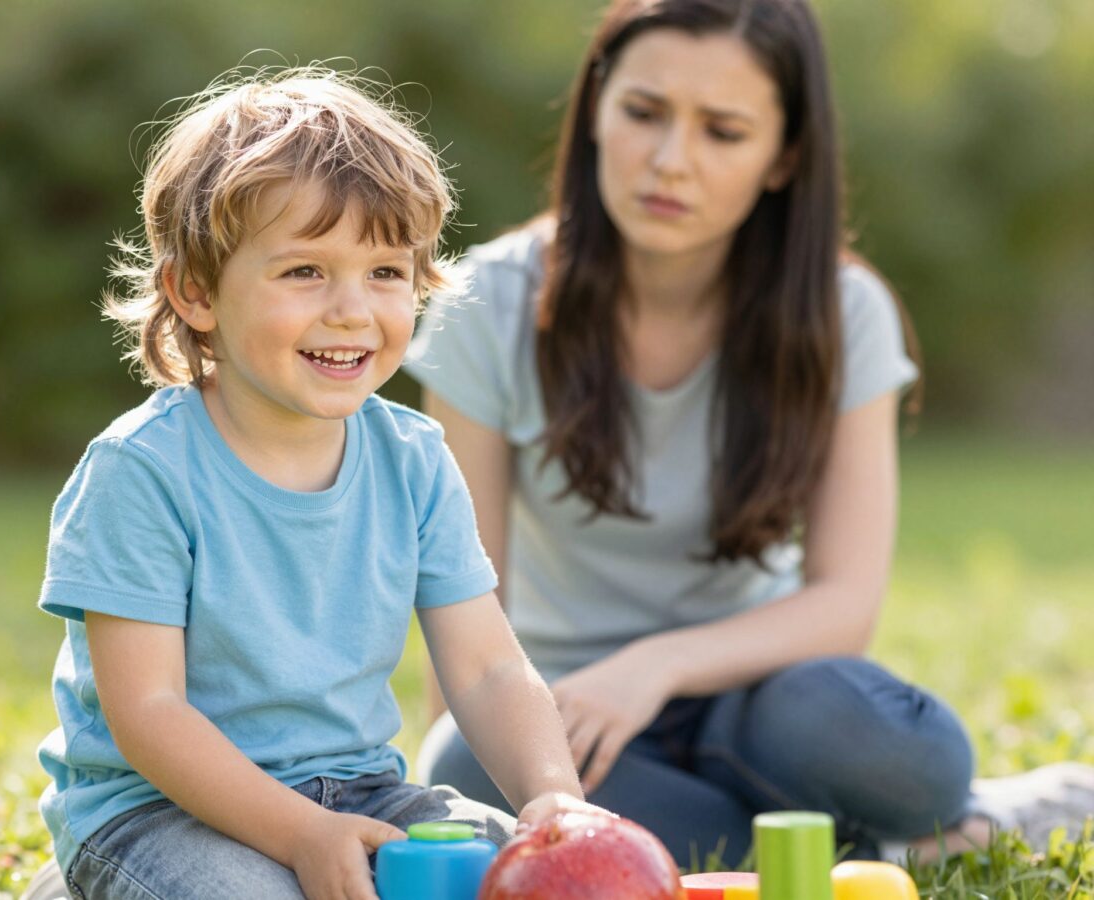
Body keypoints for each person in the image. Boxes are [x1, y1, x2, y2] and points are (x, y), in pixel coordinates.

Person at [407, 0, 1094, 870]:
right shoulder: (488, 303)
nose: (669, 161)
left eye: (723, 132)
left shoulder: (846, 314)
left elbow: (844, 603)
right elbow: (465, 606)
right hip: (568, 715)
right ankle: (900, 844)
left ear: (785, 157)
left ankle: (847, 823)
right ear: (596, 110)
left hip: (763, 698)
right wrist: (475, 781)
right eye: (643, 113)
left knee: (910, 752)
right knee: (464, 762)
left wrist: (655, 665)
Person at [28, 67, 601, 900]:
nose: (351, 310)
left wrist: (554, 798)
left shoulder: (413, 461)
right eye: (304, 271)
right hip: (158, 813)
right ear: (195, 291)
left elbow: (487, 671)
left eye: (385, 273)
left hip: (363, 792)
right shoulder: (142, 471)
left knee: (531, 875)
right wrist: (301, 836)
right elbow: (149, 714)